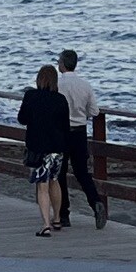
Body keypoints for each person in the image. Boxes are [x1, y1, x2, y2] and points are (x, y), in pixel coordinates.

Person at [16, 64, 74, 236]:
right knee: (55, 181)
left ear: (39, 79)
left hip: (39, 147)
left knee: (42, 185)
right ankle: (57, 218)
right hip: (57, 147)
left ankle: (45, 224)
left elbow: (22, 118)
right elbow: (66, 126)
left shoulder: (31, 96)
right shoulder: (60, 99)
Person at [53, 48, 106, 226]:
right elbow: (94, 111)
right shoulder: (85, 85)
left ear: (62, 64)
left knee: (60, 173)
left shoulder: (57, 85)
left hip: (61, 131)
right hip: (80, 131)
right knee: (82, 172)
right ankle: (96, 202)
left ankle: (63, 214)